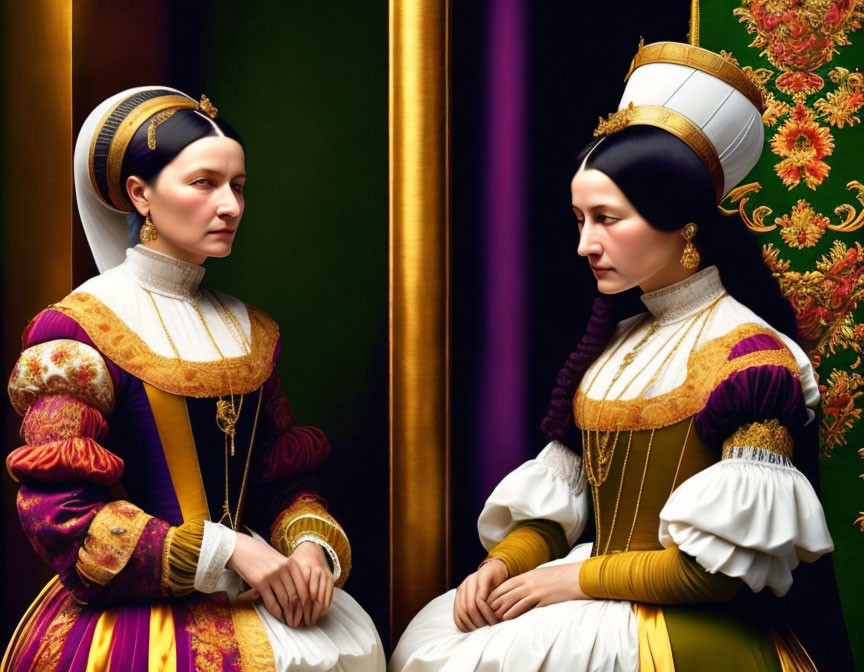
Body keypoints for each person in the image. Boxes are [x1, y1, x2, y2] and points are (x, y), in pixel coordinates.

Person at [390, 42, 840, 671]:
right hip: (592, 594)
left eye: (607, 218)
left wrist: (572, 581)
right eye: (579, 220)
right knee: (436, 644)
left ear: (681, 225)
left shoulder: (752, 360)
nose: (585, 245)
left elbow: (723, 573)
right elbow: (562, 503)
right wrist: (505, 564)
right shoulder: (613, 345)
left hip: (696, 633)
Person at [3, 87, 385, 671]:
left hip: (266, 596)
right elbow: (63, 511)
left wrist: (308, 547)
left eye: (238, 185)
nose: (230, 206)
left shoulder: (249, 328)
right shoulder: (78, 329)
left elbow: (282, 478)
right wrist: (229, 549)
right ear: (140, 194)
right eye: (204, 183)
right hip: (134, 622)